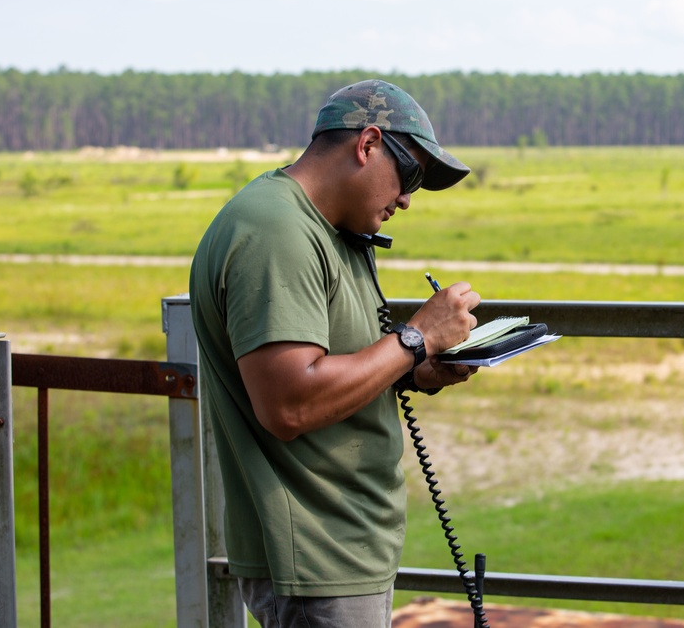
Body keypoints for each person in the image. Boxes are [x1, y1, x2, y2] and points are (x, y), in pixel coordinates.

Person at [189, 79, 481, 628]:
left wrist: (417, 369)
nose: (407, 200)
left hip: (342, 547)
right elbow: (290, 404)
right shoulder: (276, 231)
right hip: (314, 555)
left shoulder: (327, 230)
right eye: (411, 174)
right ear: (367, 145)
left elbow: (334, 361)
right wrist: (415, 336)